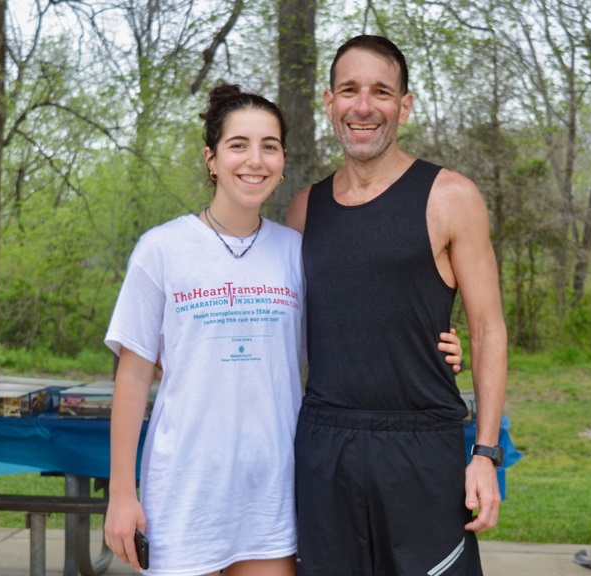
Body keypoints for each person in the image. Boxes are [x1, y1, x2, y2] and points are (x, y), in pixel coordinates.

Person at [104, 84, 464, 576]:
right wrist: (121, 495)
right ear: (211, 158)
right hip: (186, 493)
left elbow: (351, 328)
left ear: (282, 159)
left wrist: (434, 344)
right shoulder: (161, 250)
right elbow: (132, 376)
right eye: (238, 145)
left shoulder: (294, 250)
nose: (255, 160)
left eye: (269, 146)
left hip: (273, 497)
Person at [286, 35, 508, 576]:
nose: (363, 106)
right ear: (329, 102)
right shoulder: (302, 210)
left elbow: (488, 328)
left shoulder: (450, 196)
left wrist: (485, 454)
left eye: (381, 92)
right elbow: (275, 324)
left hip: (420, 445)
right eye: (349, 90)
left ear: (404, 105)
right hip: (324, 443)